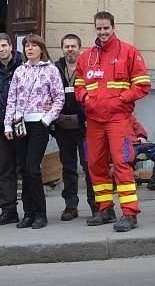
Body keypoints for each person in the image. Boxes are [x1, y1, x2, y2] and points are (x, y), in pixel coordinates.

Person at [75, 11, 151, 232]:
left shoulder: (129, 52)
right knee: (95, 165)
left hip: (119, 119)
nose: (102, 32)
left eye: (106, 28)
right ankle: (105, 209)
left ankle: (130, 214)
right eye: (99, 28)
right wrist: (86, 98)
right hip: (94, 120)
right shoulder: (86, 56)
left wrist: (121, 99)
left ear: (113, 27)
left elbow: (143, 85)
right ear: (95, 29)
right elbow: (79, 85)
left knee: (122, 164)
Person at [4, 34, 65, 229]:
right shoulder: (19, 71)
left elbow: (59, 98)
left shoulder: (51, 70)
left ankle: (40, 213)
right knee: (23, 169)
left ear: (41, 48)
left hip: (39, 123)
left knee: (32, 168)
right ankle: (28, 213)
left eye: (34, 45)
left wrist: (47, 119)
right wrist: (8, 124)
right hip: (20, 123)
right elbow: (11, 99)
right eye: (27, 46)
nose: (30, 49)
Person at [53, 33, 96, 220]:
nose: (70, 49)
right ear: (62, 49)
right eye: (66, 46)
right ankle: (70, 206)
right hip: (63, 127)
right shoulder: (55, 69)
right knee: (68, 168)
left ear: (80, 48)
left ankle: (96, 205)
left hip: (85, 127)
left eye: (73, 46)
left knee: (89, 166)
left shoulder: (88, 67)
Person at [0, 33, 24, 226]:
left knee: (27, 167)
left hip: (23, 121)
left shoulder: (24, 64)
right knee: (6, 168)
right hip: (3, 123)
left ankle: (31, 209)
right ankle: (8, 210)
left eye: (4, 45)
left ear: (11, 46)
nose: (1, 49)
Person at [130, 116, 155, 190]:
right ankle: (123, 180)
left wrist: (141, 136)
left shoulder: (128, 116)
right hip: (123, 146)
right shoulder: (110, 118)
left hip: (138, 144)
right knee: (128, 156)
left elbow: (138, 127)